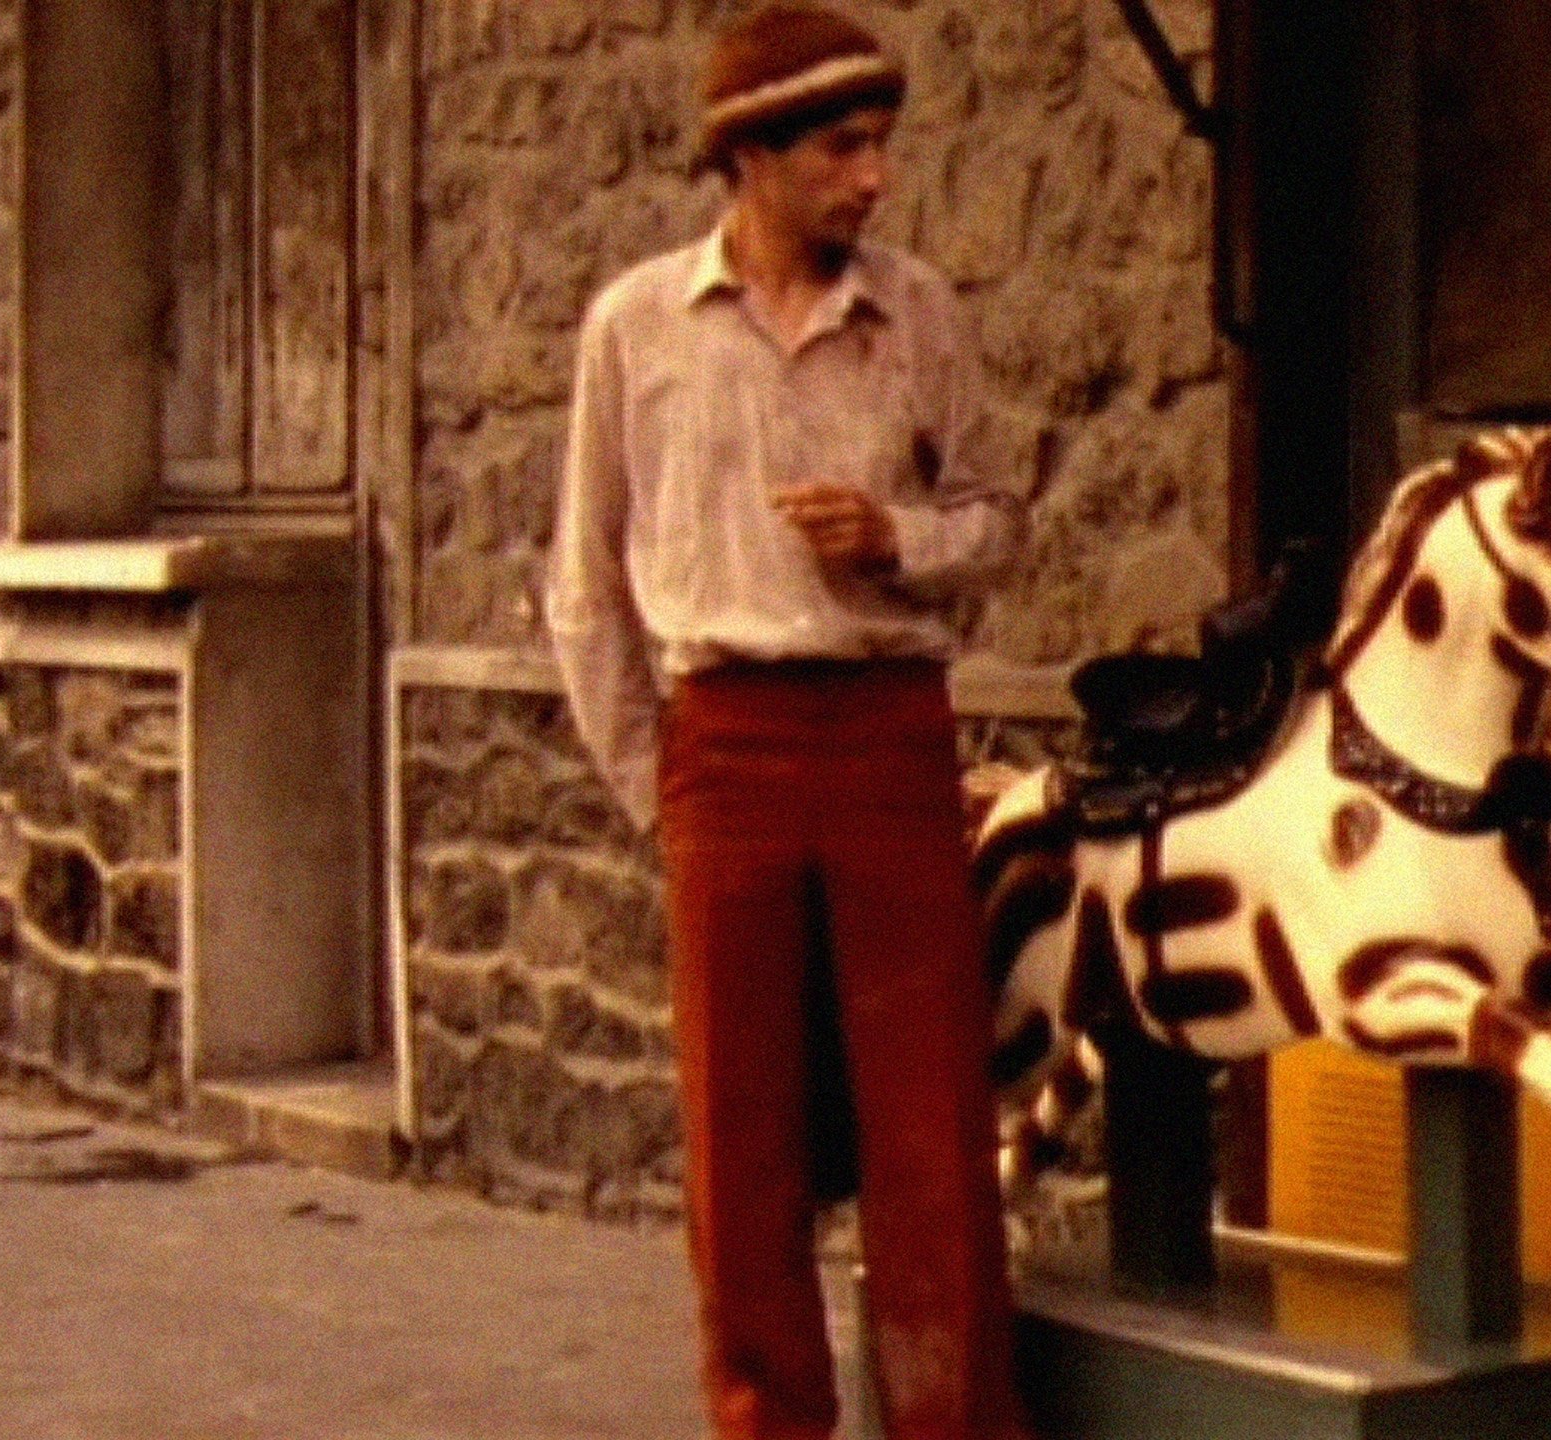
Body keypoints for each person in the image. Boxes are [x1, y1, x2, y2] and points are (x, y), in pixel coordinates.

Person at [544, 7, 1034, 1437]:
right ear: (750, 157)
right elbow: (584, 585)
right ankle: (767, 1421)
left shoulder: (918, 313)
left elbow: (999, 522)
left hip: (890, 735)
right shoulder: (637, 327)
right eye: (841, 149)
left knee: (930, 1130)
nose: (875, 178)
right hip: (726, 744)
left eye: (882, 145)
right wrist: (658, 785)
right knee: (740, 1140)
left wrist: (897, 540)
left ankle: (953, 1421)